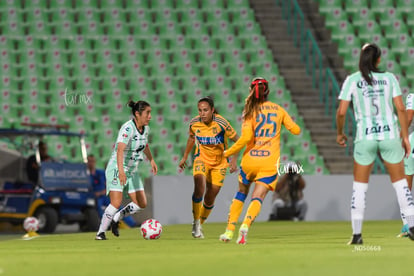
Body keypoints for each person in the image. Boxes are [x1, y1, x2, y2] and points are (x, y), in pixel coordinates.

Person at [336, 43, 414, 244]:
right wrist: (405, 137)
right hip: (389, 135)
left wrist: (340, 133)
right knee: (400, 184)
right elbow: (401, 109)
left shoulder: (352, 80)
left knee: (360, 187)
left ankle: (356, 235)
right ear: (378, 60)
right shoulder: (389, 79)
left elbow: (342, 112)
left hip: (365, 137)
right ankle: (412, 227)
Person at [219, 77, 301, 244]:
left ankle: (229, 231)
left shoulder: (250, 112)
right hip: (269, 163)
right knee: (258, 197)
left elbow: (244, 139)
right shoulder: (279, 110)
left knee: (241, 193)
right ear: (267, 91)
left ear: (251, 91)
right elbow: (296, 130)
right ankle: (246, 226)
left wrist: (227, 152)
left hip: (250, 161)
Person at [95, 100, 158, 240]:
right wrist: (121, 171)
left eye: (150, 113)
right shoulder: (127, 128)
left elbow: (145, 144)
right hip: (117, 168)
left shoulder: (146, 129)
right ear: (137, 113)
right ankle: (101, 233)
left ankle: (117, 217)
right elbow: (120, 150)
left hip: (132, 171)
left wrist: (151, 160)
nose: (150, 116)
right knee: (116, 202)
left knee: (142, 203)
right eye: (147, 113)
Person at [179, 96, 239, 238]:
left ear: (212, 110)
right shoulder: (194, 123)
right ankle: (195, 222)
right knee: (199, 187)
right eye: (200, 110)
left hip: (220, 163)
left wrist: (234, 160)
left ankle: (200, 224)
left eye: (205, 110)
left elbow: (238, 141)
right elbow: (191, 138)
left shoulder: (222, 123)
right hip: (201, 159)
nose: (202, 113)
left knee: (210, 197)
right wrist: (185, 157)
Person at [400, 93, 414, 237]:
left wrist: (401, 136)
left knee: (406, 187)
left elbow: (409, 117)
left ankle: (407, 225)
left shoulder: (412, 96)